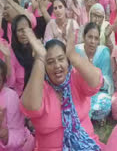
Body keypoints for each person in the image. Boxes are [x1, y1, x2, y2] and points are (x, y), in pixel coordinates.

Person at [20, 22, 104, 150]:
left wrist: (73, 55)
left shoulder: (74, 77)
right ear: (44, 67)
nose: (57, 65)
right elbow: (31, 107)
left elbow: (96, 82)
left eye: (61, 59)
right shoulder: (39, 86)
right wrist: (40, 58)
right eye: (50, 62)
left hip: (87, 144)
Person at [75, 22, 113, 124]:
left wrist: (94, 77)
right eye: (90, 37)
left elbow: (107, 82)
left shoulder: (103, 52)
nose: (92, 41)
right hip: (79, 93)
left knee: (105, 103)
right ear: (84, 37)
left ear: (99, 41)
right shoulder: (77, 51)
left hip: (97, 93)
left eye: (96, 38)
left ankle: (82, 115)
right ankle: (85, 116)